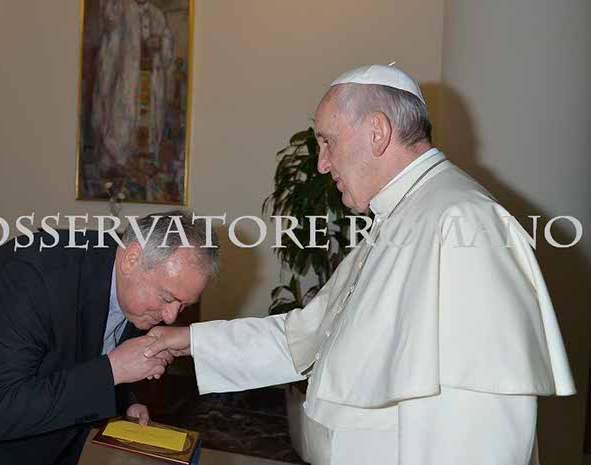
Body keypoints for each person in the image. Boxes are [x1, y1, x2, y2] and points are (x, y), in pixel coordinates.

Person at [143, 64, 576, 465]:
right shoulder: (400, 215)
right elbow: (305, 335)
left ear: (377, 132)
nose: (321, 163)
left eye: (328, 141)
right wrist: (190, 342)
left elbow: (479, 428)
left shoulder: (463, 222)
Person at [0, 210, 218, 465]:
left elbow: (85, 347)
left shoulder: (135, 287)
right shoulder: (33, 276)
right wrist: (113, 370)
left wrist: (125, 401)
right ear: (132, 258)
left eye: (184, 305)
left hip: (30, 436)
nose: (171, 317)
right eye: (167, 298)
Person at [92, 0, 174, 178]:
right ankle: (118, 161)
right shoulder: (120, 7)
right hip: (126, 79)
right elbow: (109, 20)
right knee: (122, 117)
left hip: (149, 79)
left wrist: (160, 44)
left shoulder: (157, 15)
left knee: (148, 121)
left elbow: (167, 52)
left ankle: (143, 160)